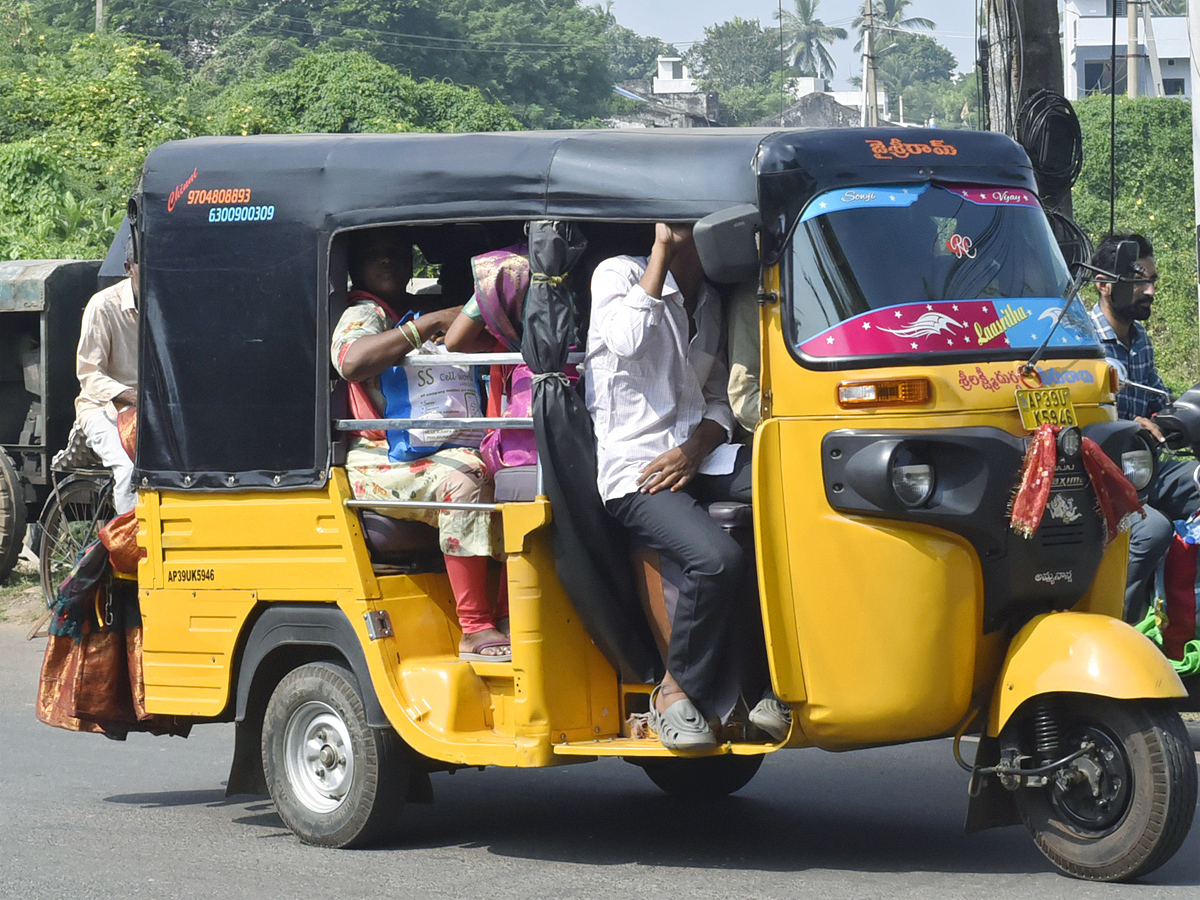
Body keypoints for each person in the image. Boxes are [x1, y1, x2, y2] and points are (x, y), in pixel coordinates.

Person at [584, 223, 789, 750]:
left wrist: (695, 449)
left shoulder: (711, 304)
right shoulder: (621, 274)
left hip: (697, 456)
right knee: (718, 559)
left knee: (798, 496)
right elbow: (627, 341)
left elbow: (717, 398)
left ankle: (771, 680)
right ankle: (675, 689)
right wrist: (660, 252)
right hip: (638, 469)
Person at [331, 228, 509, 661]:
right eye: (376, 255)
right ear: (356, 266)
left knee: (514, 477)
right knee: (462, 482)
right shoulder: (366, 312)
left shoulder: (409, 308)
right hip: (375, 457)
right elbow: (350, 361)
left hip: (430, 446)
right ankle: (475, 627)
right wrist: (422, 328)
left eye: (397, 254)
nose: (388, 261)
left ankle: (508, 614)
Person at [1088, 233, 1200, 623]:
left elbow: (1159, 400)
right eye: (1139, 281)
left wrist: (1179, 414)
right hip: (1102, 483)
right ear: (1104, 283)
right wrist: (1124, 425)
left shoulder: (1141, 341)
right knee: (1153, 529)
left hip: (1149, 470)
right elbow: (1074, 421)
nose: (1150, 290)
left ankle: (1185, 618)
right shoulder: (1081, 342)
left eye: (1152, 280)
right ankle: (1118, 625)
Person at [74, 239, 139, 514]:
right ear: (128, 269)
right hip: (101, 409)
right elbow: (88, 373)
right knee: (130, 470)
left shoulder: (167, 306)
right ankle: (133, 552)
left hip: (147, 412)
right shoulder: (103, 306)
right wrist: (130, 395)